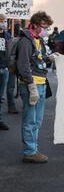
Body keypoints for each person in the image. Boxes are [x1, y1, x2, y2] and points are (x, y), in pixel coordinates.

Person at [16, 11, 54, 163]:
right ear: (35, 25)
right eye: (44, 26)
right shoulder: (26, 41)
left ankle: (33, 149)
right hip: (31, 85)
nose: (46, 29)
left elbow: (39, 58)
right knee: (30, 120)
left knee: (37, 120)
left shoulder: (39, 40)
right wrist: (31, 85)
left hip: (41, 83)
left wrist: (50, 58)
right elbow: (23, 65)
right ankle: (30, 151)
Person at [0, 14, 12, 130]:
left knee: (0, 97)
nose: (4, 23)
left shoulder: (7, 35)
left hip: (4, 69)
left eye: (5, 21)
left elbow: (10, 51)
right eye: (1, 21)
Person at [7, 23, 21, 114]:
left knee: (11, 87)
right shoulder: (15, 39)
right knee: (11, 87)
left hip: (13, 65)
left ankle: (11, 105)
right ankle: (11, 106)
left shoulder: (11, 38)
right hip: (16, 65)